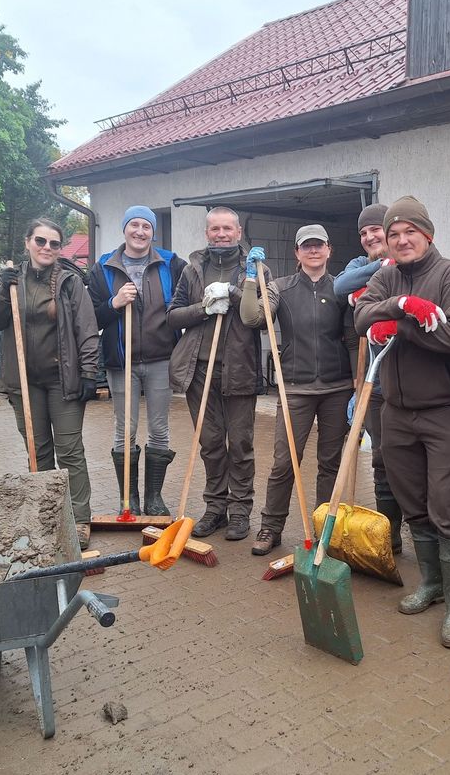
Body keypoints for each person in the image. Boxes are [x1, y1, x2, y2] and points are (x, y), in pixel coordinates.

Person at [354, 196, 450, 648]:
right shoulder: (385, 274)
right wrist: (401, 303)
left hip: (446, 410)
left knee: (449, 503)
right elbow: (360, 316)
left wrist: (401, 324)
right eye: (394, 234)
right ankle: (430, 583)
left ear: (428, 235)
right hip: (397, 412)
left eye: (411, 231)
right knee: (413, 503)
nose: (402, 240)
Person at [0, 218, 101, 550]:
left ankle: (80, 518)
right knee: (38, 451)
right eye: (41, 241)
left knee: (70, 450)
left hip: (64, 380)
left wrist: (90, 373)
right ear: (28, 241)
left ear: (60, 249)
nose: (47, 248)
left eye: (54, 243)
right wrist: (3, 290)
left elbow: (86, 330)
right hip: (23, 382)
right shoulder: (9, 279)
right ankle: (47, 515)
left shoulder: (70, 282)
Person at [241, 225, 351, 556]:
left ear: (329, 249)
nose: (313, 251)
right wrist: (250, 280)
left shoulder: (342, 289)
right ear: (297, 253)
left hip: (337, 387)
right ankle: (270, 527)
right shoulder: (280, 288)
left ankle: (324, 528)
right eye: (307, 246)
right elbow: (251, 318)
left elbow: (355, 333)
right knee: (284, 462)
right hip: (295, 388)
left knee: (331, 462)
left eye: (319, 245)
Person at [167, 207, 269, 541]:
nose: (221, 234)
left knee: (240, 443)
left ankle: (240, 511)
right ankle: (215, 508)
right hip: (199, 369)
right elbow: (173, 316)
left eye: (227, 228)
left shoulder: (254, 268)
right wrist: (203, 308)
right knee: (210, 443)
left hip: (239, 369)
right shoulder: (192, 268)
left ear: (239, 231)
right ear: (207, 232)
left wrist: (236, 292)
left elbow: (263, 317)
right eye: (215, 229)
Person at [87, 205, 187, 517]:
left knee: (159, 428)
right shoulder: (103, 268)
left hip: (161, 358)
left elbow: (188, 298)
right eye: (134, 225)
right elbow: (89, 315)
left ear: (153, 231)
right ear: (125, 229)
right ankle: (127, 499)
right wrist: (114, 303)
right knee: (125, 429)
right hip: (122, 360)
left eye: (146, 226)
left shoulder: (171, 264)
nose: (140, 231)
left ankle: (154, 497)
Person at [333, 203, 405, 552]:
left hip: (409, 373)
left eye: (375, 229)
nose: (369, 237)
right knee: (380, 458)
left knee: (405, 458)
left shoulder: (410, 256)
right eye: (363, 233)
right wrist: (378, 269)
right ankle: (390, 539)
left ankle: (420, 534)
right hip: (374, 376)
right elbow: (340, 285)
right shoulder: (361, 264)